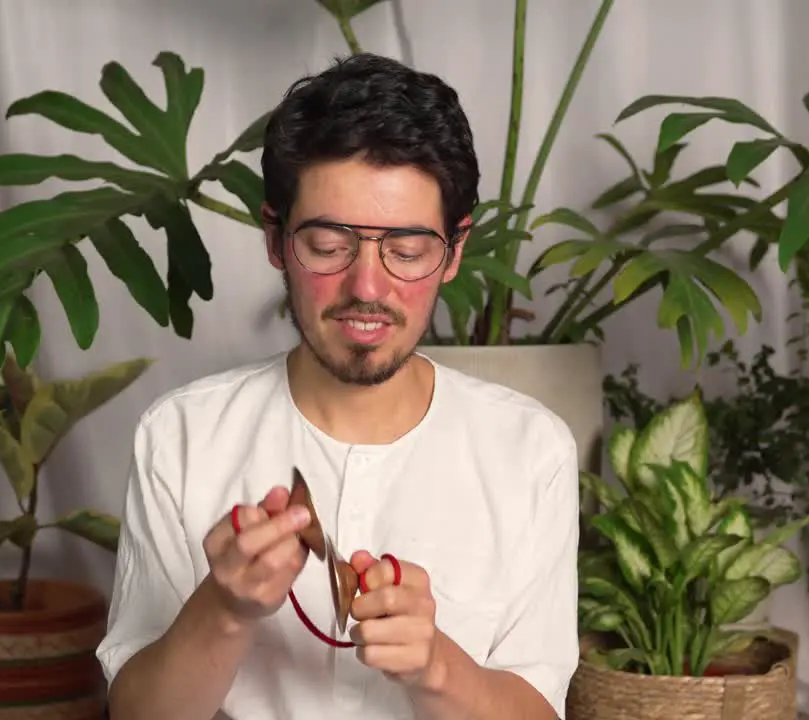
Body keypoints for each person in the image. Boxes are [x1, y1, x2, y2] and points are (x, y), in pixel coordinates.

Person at [97, 52, 580, 720]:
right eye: (328, 245)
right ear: (276, 238)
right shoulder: (182, 436)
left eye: (407, 251)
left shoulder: (530, 451)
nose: (368, 288)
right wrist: (226, 610)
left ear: (454, 252)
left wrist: (435, 665)